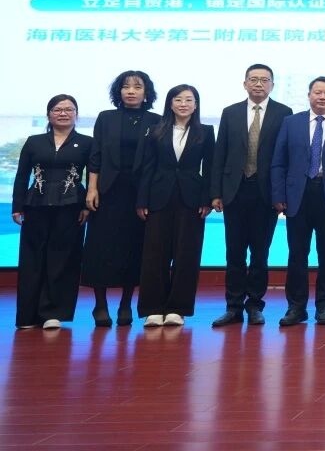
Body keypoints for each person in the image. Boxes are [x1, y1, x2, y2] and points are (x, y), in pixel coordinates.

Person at [271, 76, 325, 327]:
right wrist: (279, 195)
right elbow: (279, 161)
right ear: (309, 95)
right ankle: (296, 307)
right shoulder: (291, 122)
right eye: (318, 92)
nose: (322, 97)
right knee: (297, 254)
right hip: (296, 196)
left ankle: (324, 306)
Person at [209, 63, 293, 327]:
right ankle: (233, 307)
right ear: (244, 83)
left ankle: (255, 305)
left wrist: (282, 194)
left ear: (272, 85)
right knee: (234, 252)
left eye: (264, 80)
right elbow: (220, 154)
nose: (258, 84)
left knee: (260, 253)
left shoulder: (284, 113)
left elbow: (286, 156)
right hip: (234, 191)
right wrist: (216, 192)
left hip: (266, 193)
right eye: (253, 79)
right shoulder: (230, 112)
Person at [83, 70, 162, 327]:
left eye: (137, 87)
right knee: (101, 246)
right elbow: (95, 155)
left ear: (146, 93)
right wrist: (92, 188)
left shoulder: (157, 120)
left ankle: (126, 304)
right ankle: (100, 305)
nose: (131, 91)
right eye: (126, 86)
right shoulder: (106, 118)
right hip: (107, 191)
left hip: (140, 193)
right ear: (118, 91)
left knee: (134, 246)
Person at [136, 84, 216, 327]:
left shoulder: (206, 131)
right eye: (178, 99)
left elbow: (210, 168)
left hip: (191, 199)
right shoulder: (155, 130)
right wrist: (142, 200)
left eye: (189, 100)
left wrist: (207, 199)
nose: (183, 104)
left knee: (186, 254)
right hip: (158, 196)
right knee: (154, 254)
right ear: (170, 103)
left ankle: (177, 309)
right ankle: (152, 308)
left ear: (196, 104)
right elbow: (147, 167)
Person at [11, 95, 91, 330]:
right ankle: (27, 316)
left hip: (71, 207)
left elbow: (94, 177)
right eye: (57, 109)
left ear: (76, 114)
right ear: (49, 114)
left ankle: (53, 313)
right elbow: (21, 175)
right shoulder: (34, 142)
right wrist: (17, 206)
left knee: (63, 259)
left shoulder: (87, 143)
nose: (63, 113)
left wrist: (87, 206)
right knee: (32, 259)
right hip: (36, 205)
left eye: (69, 109)